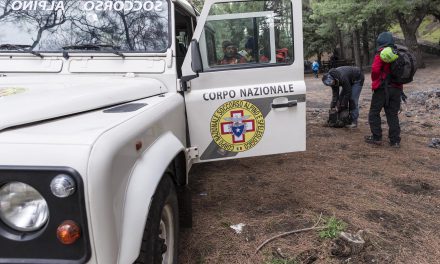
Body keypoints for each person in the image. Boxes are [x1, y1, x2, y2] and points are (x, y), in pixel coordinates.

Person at [365, 32, 402, 148]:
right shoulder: (398, 53)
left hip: (382, 88)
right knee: (392, 114)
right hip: (397, 88)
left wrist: (376, 81)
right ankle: (395, 141)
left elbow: (375, 70)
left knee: (374, 113)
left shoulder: (381, 53)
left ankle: (377, 138)